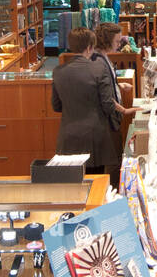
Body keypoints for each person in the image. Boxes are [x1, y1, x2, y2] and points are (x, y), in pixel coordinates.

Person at [51, 28, 121, 179]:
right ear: (90, 47)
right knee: (94, 185)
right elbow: (108, 105)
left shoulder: (58, 71)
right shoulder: (98, 68)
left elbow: (56, 106)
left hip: (68, 137)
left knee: (74, 186)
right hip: (95, 138)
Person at [94, 22, 135, 187]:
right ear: (107, 40)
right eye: (117, 41)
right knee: (114, 162)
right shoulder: (98, 61)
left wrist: (118, 86)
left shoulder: (102, 57)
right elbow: (101, 95)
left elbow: (105, 87)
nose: (119, 44)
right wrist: (124, 110)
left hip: (111, 118)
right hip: (107, 121)